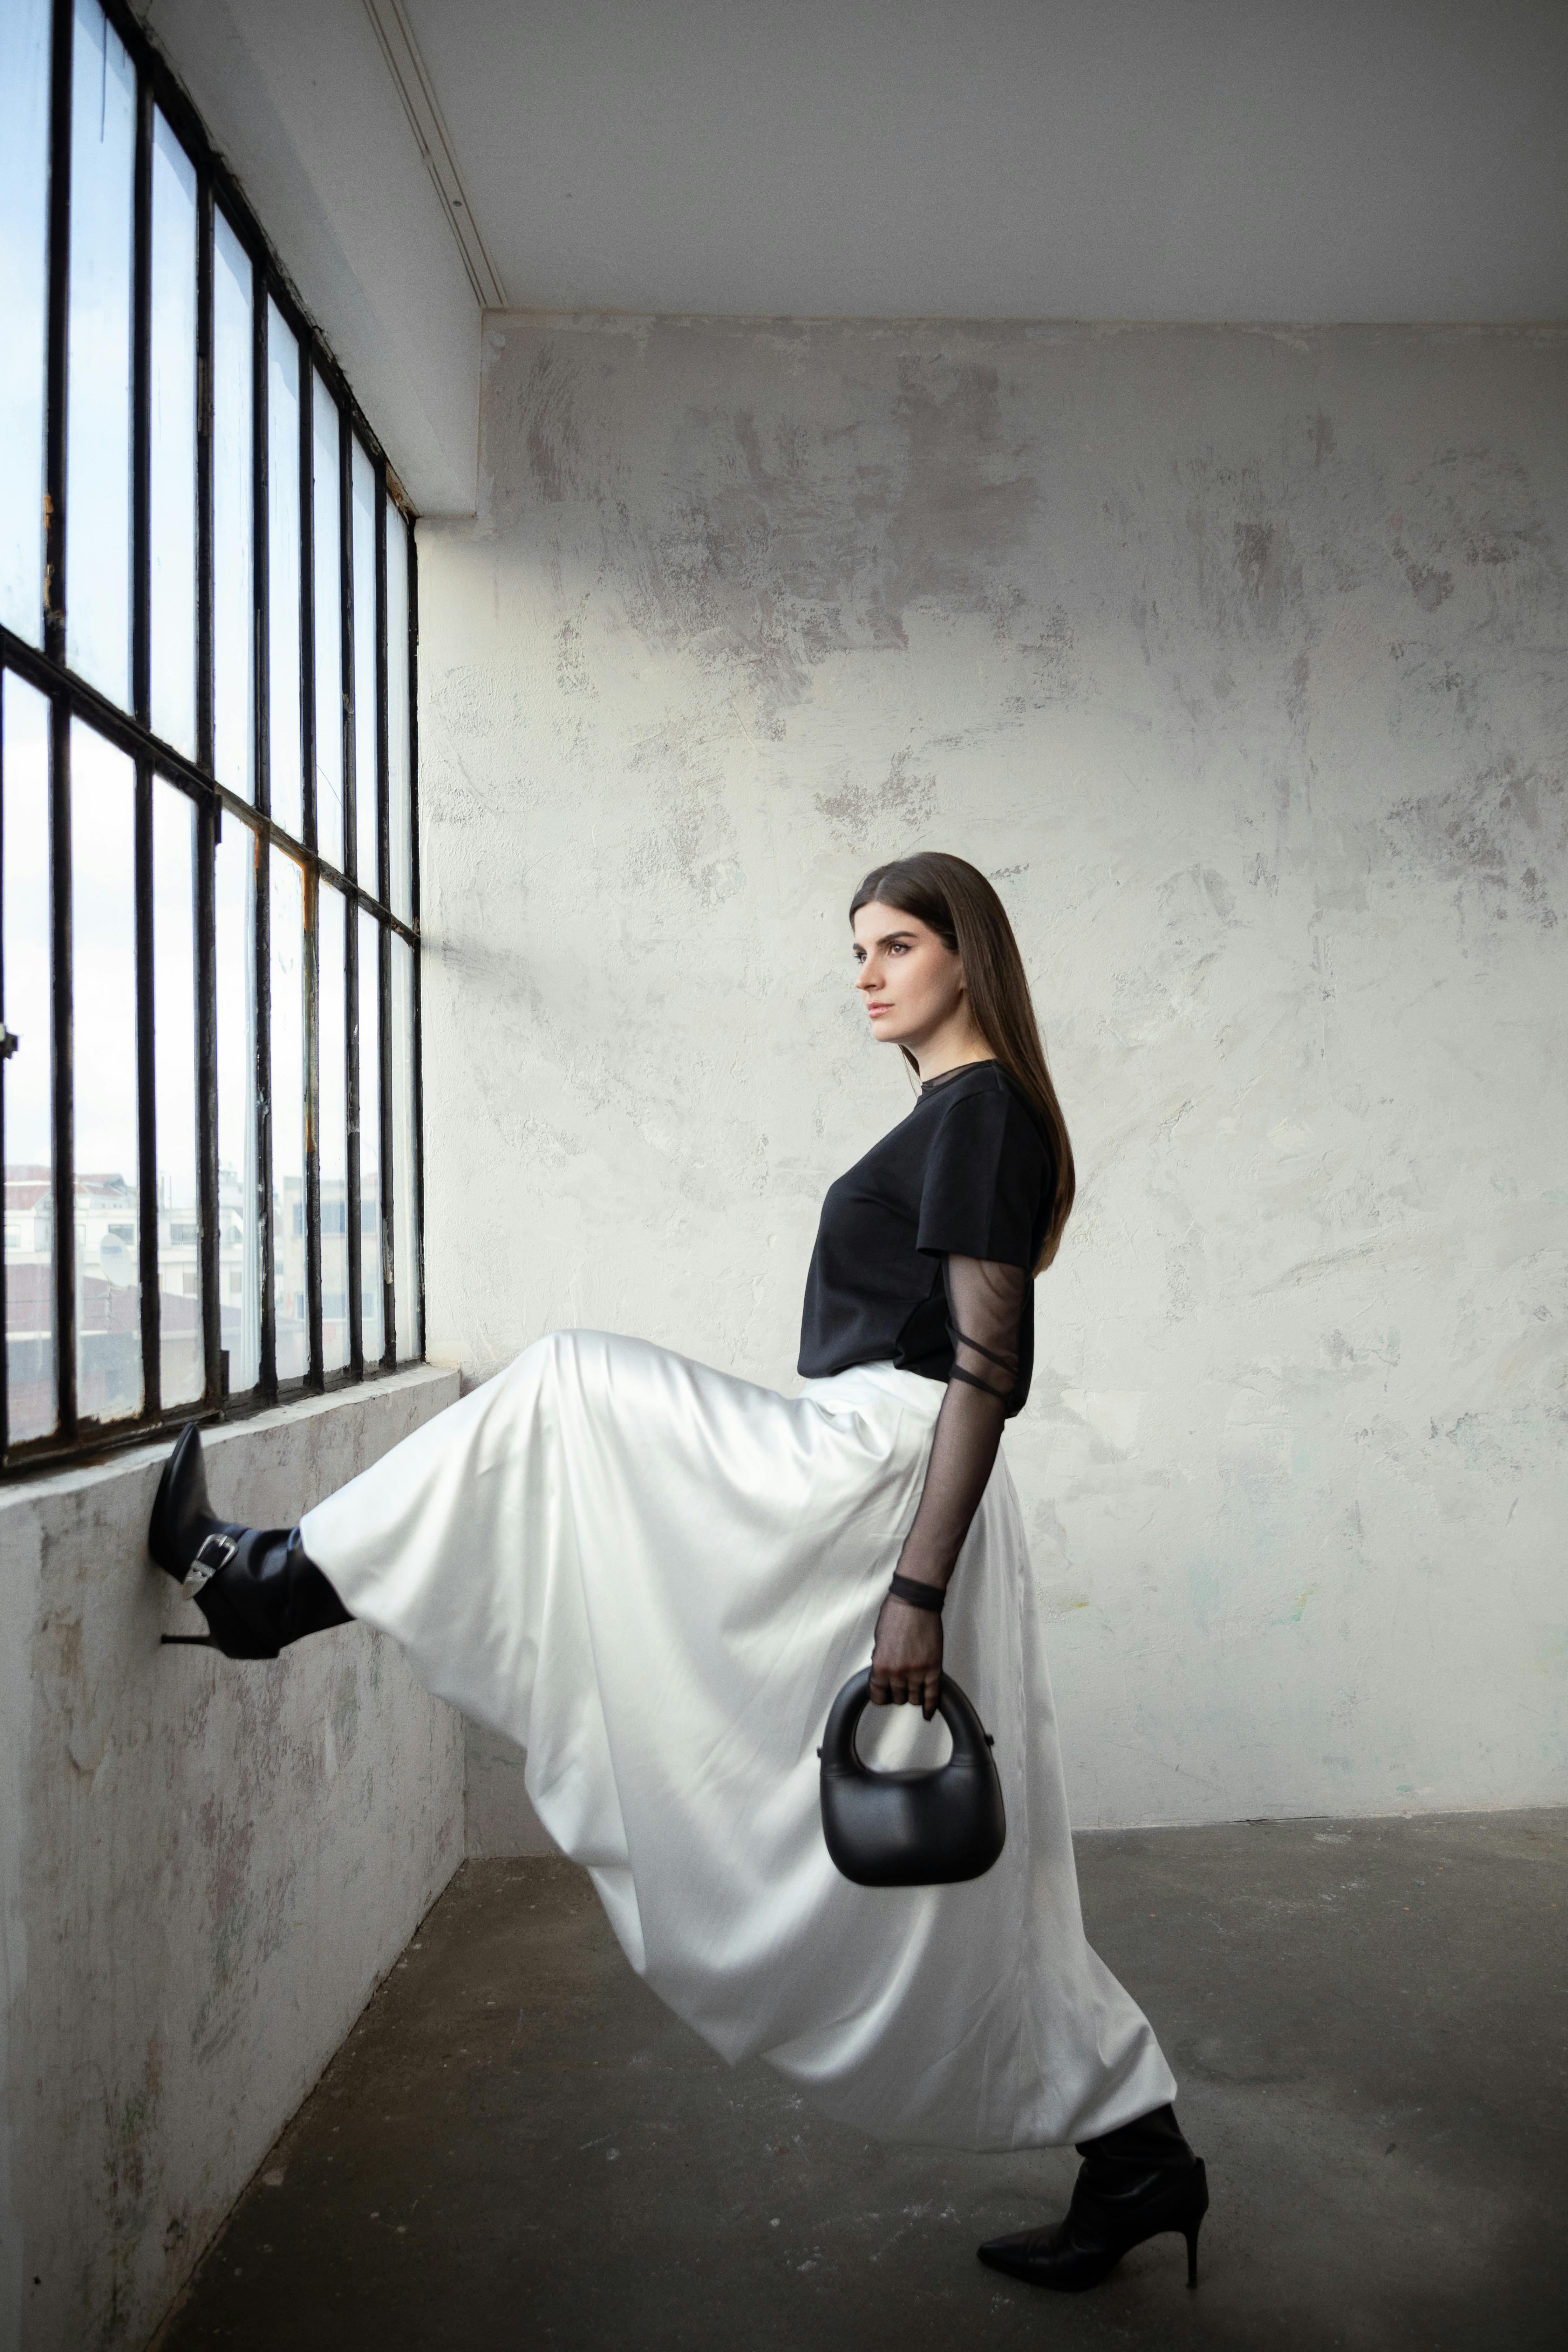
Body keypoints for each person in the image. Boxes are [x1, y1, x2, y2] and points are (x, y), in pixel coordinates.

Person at [149, 850, 1207, 2295]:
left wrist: (914, 1587)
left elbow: (989, 1371)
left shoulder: (980, 1115)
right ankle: (1139, 2153)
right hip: (882, 1468)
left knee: (565, 1388)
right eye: (858, 949)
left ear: (970, 954)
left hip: (881, 1475)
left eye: (896, 943)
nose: (867, 974)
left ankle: (269, 1584)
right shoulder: (962, 1115)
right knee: (991, 1883)